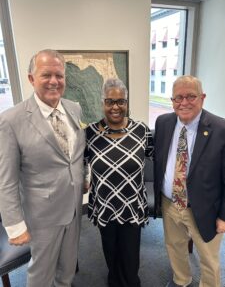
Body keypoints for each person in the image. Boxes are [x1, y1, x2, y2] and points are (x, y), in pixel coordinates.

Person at [0, 49, 86, 287]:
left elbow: (78, 153)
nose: (54, 81)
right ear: (31, 78)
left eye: (59, 75)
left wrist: (84, 176)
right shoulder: (10, 120)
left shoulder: (74, 109)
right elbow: (5, 181)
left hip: (75, 209)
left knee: (67, 269)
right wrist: (15, 226)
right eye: (46, 75)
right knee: (41, 274)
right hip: (42, 216)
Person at [154, 75, 225, 287]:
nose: (184, 103)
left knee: (208, 259)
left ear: (202, 98)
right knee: (174, 247)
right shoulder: (164, 122)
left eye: (191, 96)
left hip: (205, 209)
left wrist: (223, 216)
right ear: (172, 100)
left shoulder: (221, 130)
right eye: (178, 98)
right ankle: (181, 280)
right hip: (170, 203)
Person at [84, 78, 154, 287]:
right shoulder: (90, 133)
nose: (115, 107)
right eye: (110, 101)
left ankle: (132, 282)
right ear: (103, 103)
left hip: (132, 203)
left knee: (131, 253)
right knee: (110, 251)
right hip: (104, 203)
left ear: (126, 103)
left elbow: (151, 156)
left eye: (121, 101)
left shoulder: (142, 130)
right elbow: (79, 161)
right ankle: (114, 280)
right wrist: (83, 181)